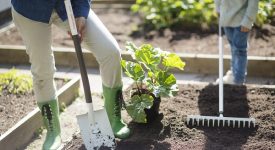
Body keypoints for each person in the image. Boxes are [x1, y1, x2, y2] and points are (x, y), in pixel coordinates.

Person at [11, 0, 130, 149]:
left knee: (110, 52)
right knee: (42, 71)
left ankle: (113, 118)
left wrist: (81, 12)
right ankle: (53, 132)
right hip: (30, 10)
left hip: (67, 4)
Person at [215, 0, 259, 85]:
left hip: (241, 20)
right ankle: (233, 73)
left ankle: (238, 79)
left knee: (239, 50)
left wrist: (248, 21)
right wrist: (219, 10)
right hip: (226, 19)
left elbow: (253, 3)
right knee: (233, 47)